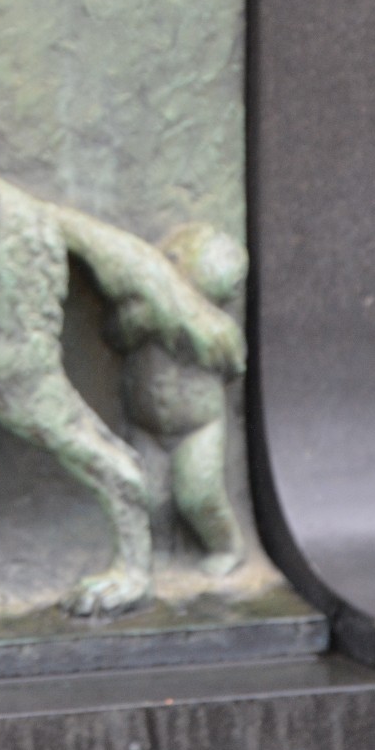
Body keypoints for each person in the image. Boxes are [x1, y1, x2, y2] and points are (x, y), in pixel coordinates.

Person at [109, 223, 249, 575]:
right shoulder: (142, 313)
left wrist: (200, 342)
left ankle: (227, 546)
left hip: (197, 427)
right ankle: (159, 551)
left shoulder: (217, 328)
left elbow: (233, 365)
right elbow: (115, 336)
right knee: (149, 498)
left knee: (198, 496)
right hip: (146, 424)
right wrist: (142, 322)